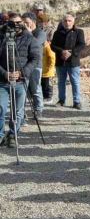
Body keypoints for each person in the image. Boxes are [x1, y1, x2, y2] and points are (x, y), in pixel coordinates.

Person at [0, 13, 41, 148]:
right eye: (12, 23)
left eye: (18, 22)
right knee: (1, 108)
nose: (16, 25)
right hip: (2, 80)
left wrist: (22, 73)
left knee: (18, 111)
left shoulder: (29, 38)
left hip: (21, 80)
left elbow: (35, 58)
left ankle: (13, 135)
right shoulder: (2, 37)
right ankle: (0, 135)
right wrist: (5, 73)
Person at [50, 13, 85, 109]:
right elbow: (52, 46)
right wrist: (62, 51)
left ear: (73, 22)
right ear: (62, 22)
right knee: (61, 81)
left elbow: (81, 44)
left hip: (73, 61)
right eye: (65, 21)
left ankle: (77, 102)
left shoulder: (79, 32)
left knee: (75, 81)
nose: (67, 22)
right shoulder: (57, 33)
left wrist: (71, 52)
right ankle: (61, 100)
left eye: (69, 21)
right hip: (60, 61)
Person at [20, 12, 45, 118]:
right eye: (23, 22)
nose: (24, 24)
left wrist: (29, 33)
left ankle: (38, 109)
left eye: (27, 22)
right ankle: (21, 112)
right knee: (22, 89)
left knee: (35, 88)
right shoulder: (22, 32)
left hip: (36, 65)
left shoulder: (40, 33)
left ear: (33, 22)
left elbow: (36, 43)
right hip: (24, 65)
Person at [41, 31, 56, 105]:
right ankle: (45, 97)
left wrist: (50, 67)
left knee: (48, 85)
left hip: (48, 71)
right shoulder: (43, 46)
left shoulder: (48, 47)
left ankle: (49, 97)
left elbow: (52, 58)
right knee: (43, 85)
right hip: (43, 70)